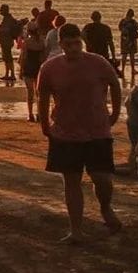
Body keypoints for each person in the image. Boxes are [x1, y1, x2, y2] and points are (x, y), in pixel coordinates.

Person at [35, 25, 124, 245]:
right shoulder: (50, 68)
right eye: (69, 44)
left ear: (81, 42)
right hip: (66, 132)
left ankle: (105, 207)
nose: (74, 48)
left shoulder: (98, 62)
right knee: (72, 180)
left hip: (97, 131)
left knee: (102, 178)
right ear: (61, 44)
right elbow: (43, 96)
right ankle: (76, 229)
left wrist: (114, 112)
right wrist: (45, 124)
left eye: (77, 43)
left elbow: (115, 84)